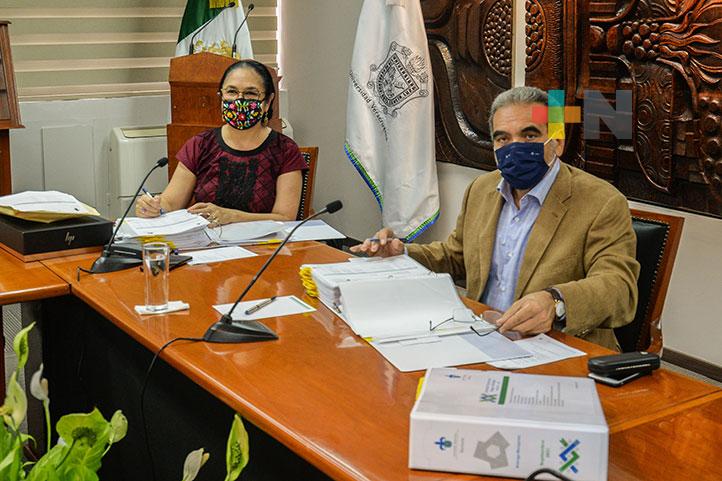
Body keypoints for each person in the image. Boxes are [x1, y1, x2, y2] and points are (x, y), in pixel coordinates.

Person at [351, 86, 640, 350]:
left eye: (529, 135)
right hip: (482, 336)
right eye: (503, 138)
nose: (515, 147)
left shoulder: (601, 201)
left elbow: (619, 288)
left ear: (558, 142)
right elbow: (456, 256)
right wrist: (402, 253)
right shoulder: (481, 189)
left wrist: (555, 302)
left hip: (560, 348)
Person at [135, 59, 307, 226]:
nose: (240, 100)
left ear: (267, 102)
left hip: (266, 243)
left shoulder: (285, 150)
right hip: (207, 242)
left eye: (250, 93)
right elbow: (171, 203)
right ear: (221, 97)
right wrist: (153, 207)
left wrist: (233, 217)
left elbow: (285, 218)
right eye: (232, 92)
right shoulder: (200, 145)